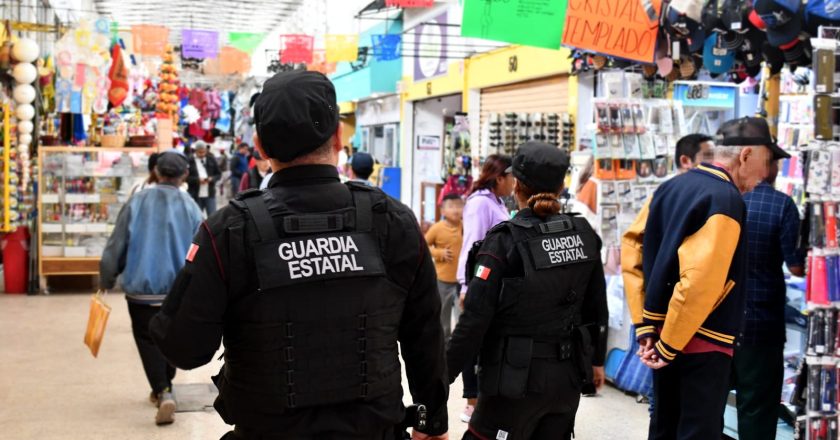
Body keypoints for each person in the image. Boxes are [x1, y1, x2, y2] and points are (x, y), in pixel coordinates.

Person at [149, 70, 449, 440]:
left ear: (259, 146)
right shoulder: (394, 222)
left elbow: (185, 348)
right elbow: (426, 333)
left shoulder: (228, 231)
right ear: (339, 136)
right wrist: (432, 422)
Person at [621, 117, 785, 440]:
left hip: (665, 334)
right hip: (701, 342)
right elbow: (698, 283)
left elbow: (631, 249)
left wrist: (646, 325)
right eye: (765, 163)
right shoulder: (725, 199)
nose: (765, 175)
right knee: (697, 431)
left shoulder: (670, 187)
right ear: (746, 155)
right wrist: (669, 344)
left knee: (664, 426)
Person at [447, 142, 608, 440]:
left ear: (516, 185)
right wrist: (597, 360)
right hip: (566, 380)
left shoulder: (503, 242)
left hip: (512, 383)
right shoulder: (584, 235)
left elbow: (473, 322)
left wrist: (440, 378)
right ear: (562, 185)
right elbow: (597, 306)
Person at [99, 151, 203, 426]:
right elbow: (201, 248)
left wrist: (107, 277)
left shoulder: (137, 202)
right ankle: (165, 383)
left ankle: (162, 389)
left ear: (156, 172)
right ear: (184, 176)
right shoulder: (191, 206)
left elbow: (116, 244)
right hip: (178, 291)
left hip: (141, 292)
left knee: (147, 340)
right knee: (171, 338)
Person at [733, 158, 802, 440]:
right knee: (758, 409)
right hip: (761, 323)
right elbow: (796, 266)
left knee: (708, 404)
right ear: (769, 166)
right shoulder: (782, 205)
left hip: (717, 320)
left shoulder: (725, 198)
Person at [454, 154, 514, 423]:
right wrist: (468, 286)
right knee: (473, 341)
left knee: (488, 343)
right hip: (477, 282)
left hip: (493, 283)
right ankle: (471, 401)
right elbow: (473, 245)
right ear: (500, 177)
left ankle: (485, 399)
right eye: (511, 178)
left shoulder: (498, 202)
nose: (514, 183)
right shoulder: (480, 203)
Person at [425, 194, 465, 340]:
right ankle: (443, 346)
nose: (456, 210)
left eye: (459, 205)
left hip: (462, 282)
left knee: (462, 316)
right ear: (442, 211)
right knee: (443, 317)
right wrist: (439, 253)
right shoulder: (437, 228)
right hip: (443, 281)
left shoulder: (466, 225)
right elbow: (424, 245)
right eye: (451, 206)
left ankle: (458, 347)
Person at [187, 141, 222, 216]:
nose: (202, 154)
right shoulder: (189, 160)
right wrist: (197, 180)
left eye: (204, 152)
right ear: (196, 151)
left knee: (213, 217)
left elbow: (218, 174)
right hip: (196, 194)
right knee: (197, 217)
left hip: (209, 193)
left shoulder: (211, 159)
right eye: (200, 152)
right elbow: (186, 177)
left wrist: (211, 179)